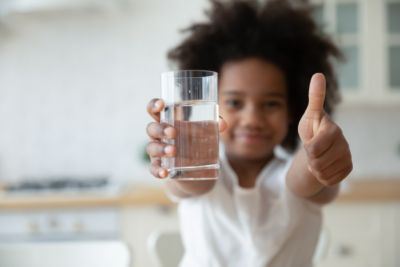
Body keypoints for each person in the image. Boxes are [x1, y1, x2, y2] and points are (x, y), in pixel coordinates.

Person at [146, 0, 353, 266]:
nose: (252, 119)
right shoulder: (199, 170)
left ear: (293, 110)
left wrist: (318, 155)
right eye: (234, 103)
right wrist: (177, 153)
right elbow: (192, 179)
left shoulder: (295, 175)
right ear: (211, 106)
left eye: (271, 104)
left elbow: (305, 177)